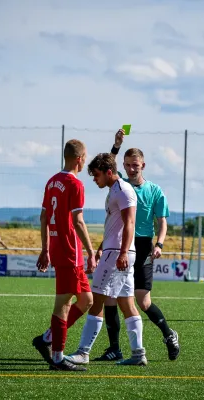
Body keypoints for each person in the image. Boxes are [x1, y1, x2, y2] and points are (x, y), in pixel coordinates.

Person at [92, 129, 179, 362]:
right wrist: (116, 144)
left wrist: (159, 244)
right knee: (111, 297)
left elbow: (162, 222)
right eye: (128, 165)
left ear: (143, 165)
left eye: (136, 165)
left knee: (142, 300)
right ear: (123, 165)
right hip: (119, 244)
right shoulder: (120, 184)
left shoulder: (154, 191)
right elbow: (106, 167)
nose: (132, 169)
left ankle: (169, 335)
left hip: (142, 246)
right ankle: (114, 348)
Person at [65, 152, 147, 367]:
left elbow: (130, 223)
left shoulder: (123, 191)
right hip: (115, 251)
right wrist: (102, 248)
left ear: (109, 172)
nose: (94, 179)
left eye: (97, 175)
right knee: (126, 303)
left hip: (117, 254)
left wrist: (120, 252)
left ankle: (83, 352)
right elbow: (115, 226)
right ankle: (138, 354)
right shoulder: (116, 189)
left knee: (96, 300)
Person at [32, 139, 97, 372]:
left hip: (62, 250)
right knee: (63, 304)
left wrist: (45, 249)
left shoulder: (51, 182)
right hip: (70, 251)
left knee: (86, 300)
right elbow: (78, 221)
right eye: (85, 156)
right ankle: (58, 358)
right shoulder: (74, 184)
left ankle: (48, 338)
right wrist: (91, 251)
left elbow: (43, 218)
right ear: (79, 159)